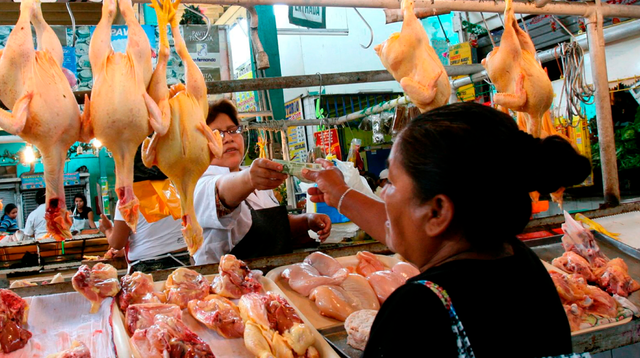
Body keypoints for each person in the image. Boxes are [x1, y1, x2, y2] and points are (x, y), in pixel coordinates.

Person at [302, 102, 591, 357]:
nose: (384, 193)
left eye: (390, 181)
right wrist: (339, 194)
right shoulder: (522, 264)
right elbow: (398, 226)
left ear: (438, 211)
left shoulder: (419, 311)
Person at [193, 98, 332, 265]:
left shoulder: (254, 178)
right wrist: (250, 179)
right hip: (229, 286)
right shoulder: (200, 185)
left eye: (232, 130)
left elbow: (270, 227)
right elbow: (221, 193)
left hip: (271, 281)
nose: (228, 138)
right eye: (216, 134)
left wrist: (306, 220)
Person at [99, 146, 187, 273]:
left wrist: (107, 229)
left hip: (148, 266)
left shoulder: (128, 199)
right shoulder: (172, 190)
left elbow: (117, 243)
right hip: (183, 260)